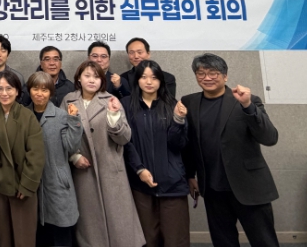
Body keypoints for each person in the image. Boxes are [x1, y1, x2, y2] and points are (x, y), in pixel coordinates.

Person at [182, 53, 280, 247]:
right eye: (201, 73)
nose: (207, 78)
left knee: (264, 241)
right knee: (223, 242)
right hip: (212, 188)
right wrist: (190, 174)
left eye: (213, 73)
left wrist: (247, 105)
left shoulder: (246, 100)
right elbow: (189, 142)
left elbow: (270, 138)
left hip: (249, 186)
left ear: (225, 76)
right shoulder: (189, 102)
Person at [60, 61, 145, 247]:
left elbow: (124, 138)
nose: (92, 80)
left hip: (111, 169)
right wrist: (74, 156)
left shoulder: (110, 100)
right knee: (90, 223)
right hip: (83, 171)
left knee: (119, 221)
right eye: (87, 76)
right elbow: (61, 133)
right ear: (79, 79)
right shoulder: (68, 100)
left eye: (96, 77)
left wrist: (113, 117)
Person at [122, 61, 190, 247]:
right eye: (144, 77)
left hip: (172, 183)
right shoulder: (126, 104)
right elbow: (125, 142)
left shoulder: (173, 104)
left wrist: (178, 120)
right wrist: (139, 169)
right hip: (140, 185)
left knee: (176, 239)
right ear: (137, 80)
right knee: (147, 239)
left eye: (154, 77)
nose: (149, 82)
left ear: (161, 80)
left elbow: (179, 144)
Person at [0, 70, 45, 247]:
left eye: (9, 88)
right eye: (0, 89)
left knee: (24, 238)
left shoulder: (27, 115)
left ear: (17, 91)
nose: (4, 93)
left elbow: (36, 154)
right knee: (4, 237)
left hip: (21, 186)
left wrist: (27, 184)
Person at [27, 71, 81, 247]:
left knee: (61, 233)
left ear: (51, 93)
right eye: (35, 89)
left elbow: (71, 146)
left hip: (57, 183)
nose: (39, 94)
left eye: (44, 90)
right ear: (29, 90)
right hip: (31, 183)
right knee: (38, 235)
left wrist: (74, 121)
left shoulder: (61, 115)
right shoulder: (23, 114)